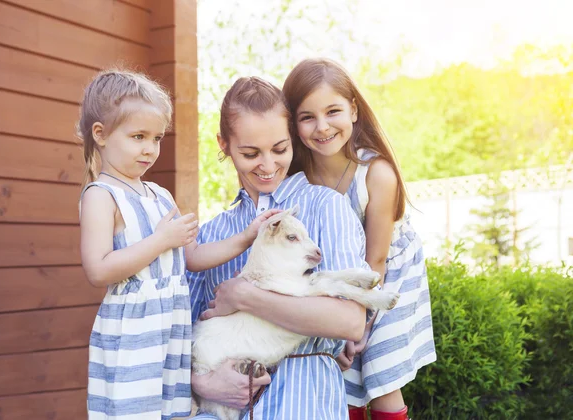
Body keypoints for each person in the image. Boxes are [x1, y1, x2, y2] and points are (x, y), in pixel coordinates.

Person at [78, 69, 278, 419]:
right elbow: (98, 269)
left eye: (156, 138)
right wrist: (159, 241)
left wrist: (247, 236)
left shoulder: (159, 195)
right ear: (101, 135)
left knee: (173, 411)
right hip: (134, 331)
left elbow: (194, 257)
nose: (149, 149)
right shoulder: (101, 195)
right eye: (138, 136)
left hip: (169, 327)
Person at [187, 76, 373, 420]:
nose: (268, 165)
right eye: (250, 153)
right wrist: (202, 384)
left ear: (293, 141)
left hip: (303, 404)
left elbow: (349, 321)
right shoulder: (213, 234)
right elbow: (181, 333)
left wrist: (243, 297)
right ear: (224, 145)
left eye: (279, 149)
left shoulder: (324, 208)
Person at [283, 58, 437, 420]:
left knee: (381, 374)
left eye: (333, 111)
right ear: (293, 123)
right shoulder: (297, 179)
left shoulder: (376, 175)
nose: (322, 127)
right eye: (307, 117)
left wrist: (360, 324)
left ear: (353, 110)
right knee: (341, 376)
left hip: (387, 276)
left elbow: (376, 260)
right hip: (339, 272)